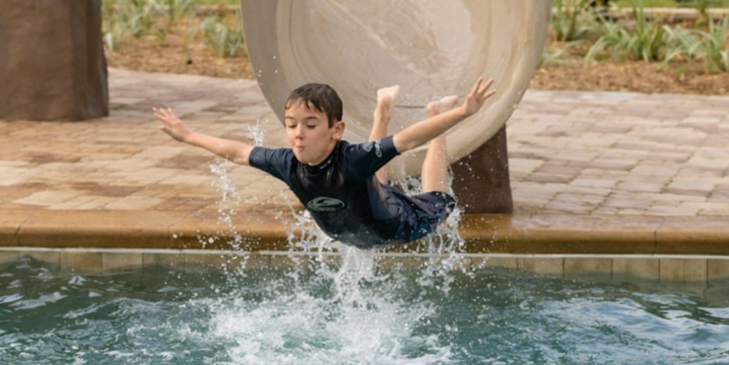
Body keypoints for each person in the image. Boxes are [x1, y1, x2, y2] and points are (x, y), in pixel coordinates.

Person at [152, 77, 497, 249]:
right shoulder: (286, 162)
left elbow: (408, 140)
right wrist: (187, 135)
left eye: (310, 125)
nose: (298, 135)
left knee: (438, 198)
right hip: (360, 224)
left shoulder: (351, 158)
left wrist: (462, 112)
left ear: (336, 130)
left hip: (398, 225)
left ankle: (434, 112)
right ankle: (383, 111)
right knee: (371, 176)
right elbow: (237, 152)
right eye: (291, 125)